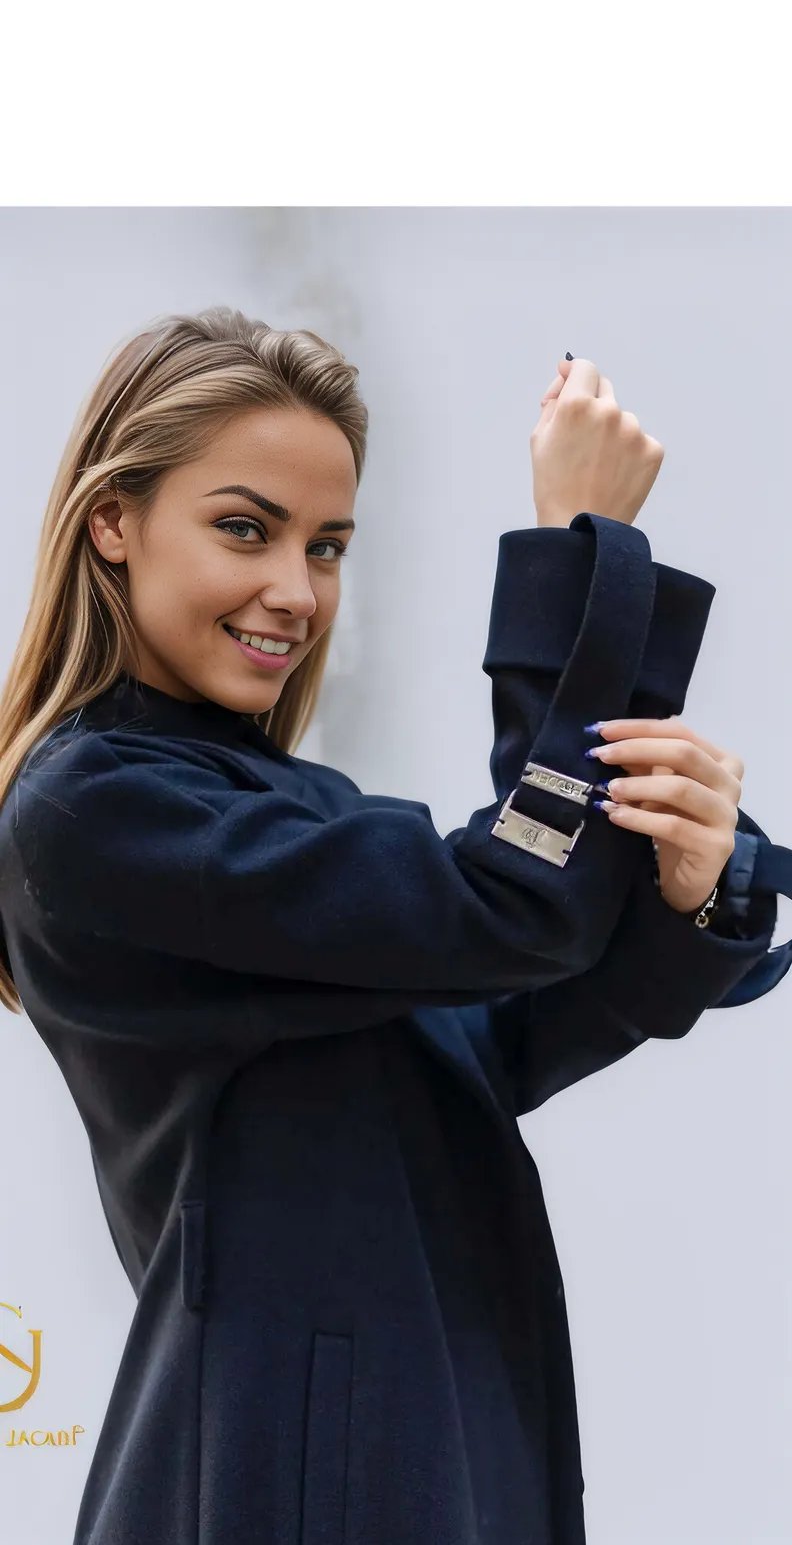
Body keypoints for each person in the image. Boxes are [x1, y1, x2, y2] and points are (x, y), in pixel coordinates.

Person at [0, 308, 789, 1545]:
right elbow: (517, 906)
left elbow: (503, 1031)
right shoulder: (94, 811)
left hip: (448, 1432)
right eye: (244, 527)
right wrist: (581, 555)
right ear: (114, 521)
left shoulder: (289, 807)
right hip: (299, 1469)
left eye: (326, 546)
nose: (292, 589)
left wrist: (689, 895)